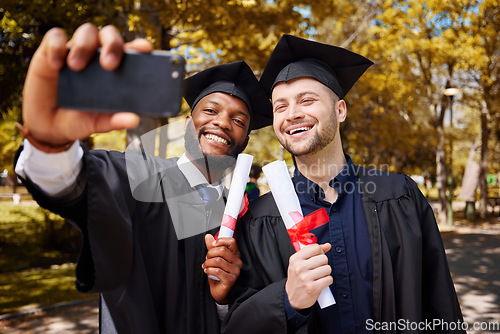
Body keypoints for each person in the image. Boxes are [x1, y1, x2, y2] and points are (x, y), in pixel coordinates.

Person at [13, 23, 272, 334]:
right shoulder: (142, 177)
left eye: (238, 120)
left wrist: (223, 298)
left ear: (244, 139)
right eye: (211, 110)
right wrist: (51, 144)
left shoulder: (240, 216)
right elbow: (77, 182)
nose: (222, 123)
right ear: (189, 123)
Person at [223, 35, 464, 333]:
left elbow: (439, 302)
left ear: (340, 111)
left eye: (307, 100)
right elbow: (237, 322)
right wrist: (287, 301)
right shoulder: (259, 219)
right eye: (280, 106)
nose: (292, 113)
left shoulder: (399, 196)